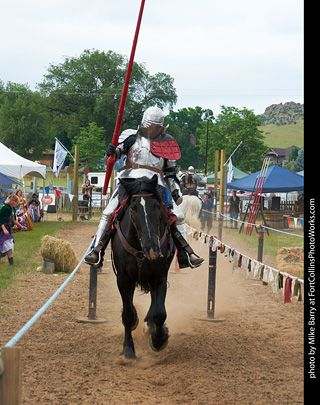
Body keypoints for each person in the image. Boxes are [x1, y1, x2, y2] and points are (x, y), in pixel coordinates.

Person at [85, 105, 204, 269]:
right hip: (129, 181)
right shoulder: (130, 136)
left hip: (155, 183)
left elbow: (170, 171)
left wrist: (175, 191)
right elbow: (115, 155)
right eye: (151, 125)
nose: (154, 129)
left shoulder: (166, 141)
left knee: (178, 216)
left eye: (157, 126)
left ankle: (185, 254)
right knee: (108, 212)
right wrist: (110, 152)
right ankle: (97, 251)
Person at [0, 194, 27, 265]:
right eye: (16, 202)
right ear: (11, 201)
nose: (17, 204)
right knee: (8, 244)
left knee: (9, 245)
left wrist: (21, 226)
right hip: (2, 230)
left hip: (7, 229)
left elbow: (14, 220)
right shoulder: (5, 208)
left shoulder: (12, 209)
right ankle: (11, 263)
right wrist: (4, 229)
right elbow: (0, 219)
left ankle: (11, 262)